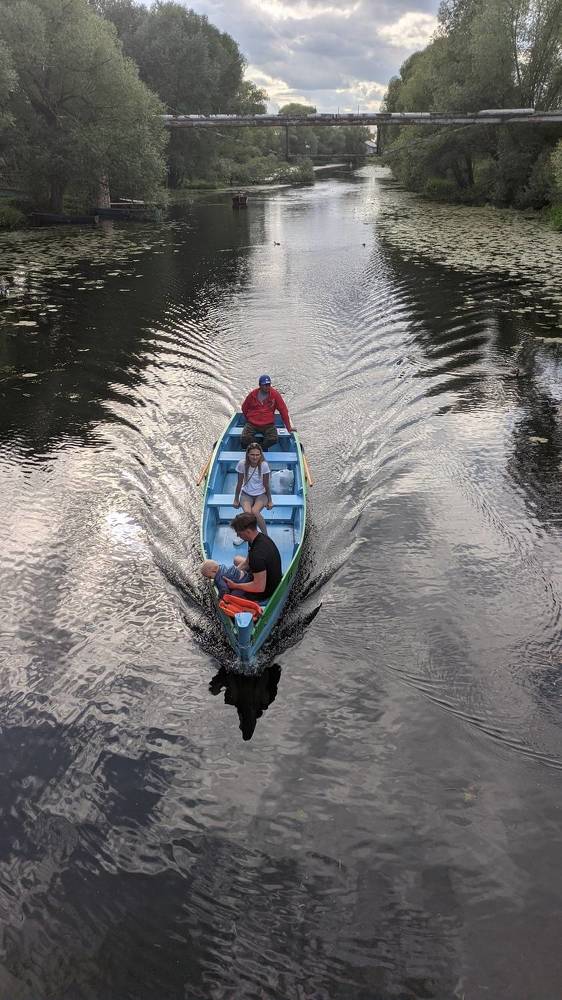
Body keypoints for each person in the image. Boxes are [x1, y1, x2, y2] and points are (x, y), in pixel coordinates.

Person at [224, 513, 282, 601]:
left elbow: (259, 587)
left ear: (248, 531)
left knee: (230, 594)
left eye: (239, 533)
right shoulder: (259, 538)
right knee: (237, 559)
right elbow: (247, 562)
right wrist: (232, 575)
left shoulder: (257, 556)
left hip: (264, 590)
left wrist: (235, 585)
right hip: (266, 573)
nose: (237, 536)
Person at [240, 375, 296, 449]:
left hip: (268, 424)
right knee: (244, 438)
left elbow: (283, 411)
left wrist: (288, 427)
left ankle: (258, 448)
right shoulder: (252, 394)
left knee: (273, 439)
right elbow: (244, 407)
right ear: (260, 385)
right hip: (252, 423)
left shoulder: (275, 395)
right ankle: (257, 446)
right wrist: (248, 419)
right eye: (265, 385)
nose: (267, 387)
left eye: (268, 384)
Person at [233, 441, 272, 538]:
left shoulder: (264, 465)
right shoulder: (242, 464)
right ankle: (246, 536)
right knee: (247, 514)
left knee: (255, 512)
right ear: (247, 455)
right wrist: (236, 499)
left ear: (260, 455)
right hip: (246, 494)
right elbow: (239, 483)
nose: (255, 457)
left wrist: (270, 501)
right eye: (252, 455)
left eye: (257, 455)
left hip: (261, 495)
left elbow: (266, 485)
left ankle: (265, 536)